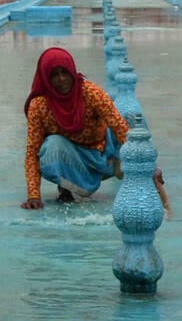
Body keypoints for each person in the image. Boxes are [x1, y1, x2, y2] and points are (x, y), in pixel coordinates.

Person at [22, 46, 167, 211]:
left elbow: (119, 128)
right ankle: (67, 185)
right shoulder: (39, 106)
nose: (62, 79)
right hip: (71, 156)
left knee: (131, 118)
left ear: (72, 71)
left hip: (103, 153)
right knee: (51, 146)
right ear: (46, 79)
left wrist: (148, 166)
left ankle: (118, 166)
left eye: (65, 72)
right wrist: (34, 195)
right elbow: (32, 152)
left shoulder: (91, 93)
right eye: (54, 75)